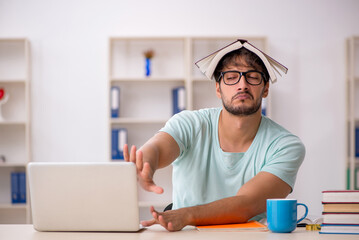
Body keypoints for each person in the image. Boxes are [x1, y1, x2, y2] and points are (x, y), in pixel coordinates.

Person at [124, 39, 305, 232]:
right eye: (231, 77)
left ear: (266, 88)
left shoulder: (285, 145)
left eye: (252, 77)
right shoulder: (191, 123)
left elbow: (246, 204)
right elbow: (158, 148)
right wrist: (147, 164)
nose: (242, 85)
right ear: (218, 88)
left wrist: (187, 215)